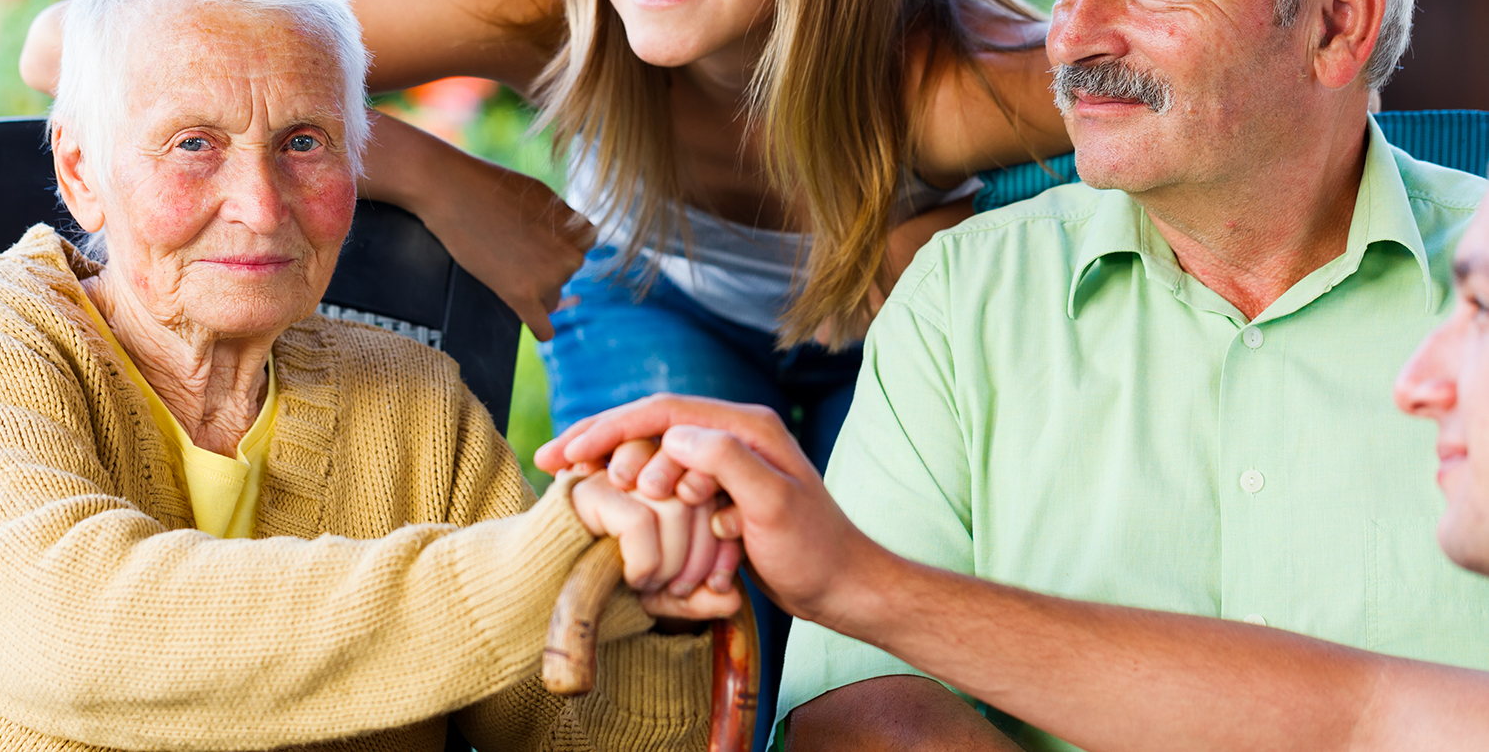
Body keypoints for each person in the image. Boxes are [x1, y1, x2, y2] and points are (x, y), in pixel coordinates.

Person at [17, 0, 1069, 743]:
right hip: (653, 292)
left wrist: (971, 238)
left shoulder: (952, 77)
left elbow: (1188, 105)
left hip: (888, 324)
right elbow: (72, 44)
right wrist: (443, 177)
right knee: (680, 607)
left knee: (867, 651)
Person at [554, 0, 1489, 751]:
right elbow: (853, 704)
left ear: (1335, 19)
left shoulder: (1472, 292)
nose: (1071, 34)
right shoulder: (962, 293)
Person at [0, 0, 739, 752]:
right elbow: (67, 632)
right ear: (82, 172)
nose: (259, 207)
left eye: (304, 142)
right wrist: (538, 564)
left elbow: (567, 729)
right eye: (191, 144)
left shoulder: (418, 405)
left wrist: (644, 603)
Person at [529, 206, 1489, 751]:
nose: (1413, 378)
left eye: (1479, 311)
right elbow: (1363, 713)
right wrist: (853, 581)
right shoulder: (965, 288)